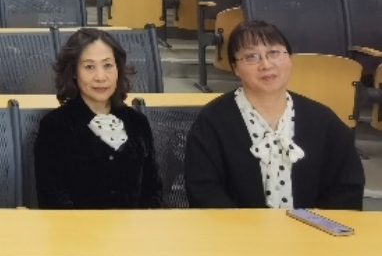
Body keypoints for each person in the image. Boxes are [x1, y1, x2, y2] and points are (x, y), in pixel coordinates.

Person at [185, 21, 364, 209]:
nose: (266, 64)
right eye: (252, 57)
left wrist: (315, 224)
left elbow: (346, 188)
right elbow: (203, 190)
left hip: (313, 227)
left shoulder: (323, 120)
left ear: (289, 58)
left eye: (274, 53)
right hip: (235, 227)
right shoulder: (212, 121)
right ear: (235, 67)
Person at [33, 28, 161, 209]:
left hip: (134, 226)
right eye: (89, 67)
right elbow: (51, 200)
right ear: (74, 72)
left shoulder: (137, 122)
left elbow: (153, 191)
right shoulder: (55, 127)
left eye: (108, 65)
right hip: (76, 226)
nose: (101, 77)